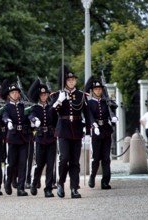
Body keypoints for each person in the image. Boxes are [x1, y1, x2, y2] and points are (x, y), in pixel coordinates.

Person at [52, 66, 90, 199]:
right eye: (69, 80)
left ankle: (74, 188)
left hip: (77, 129)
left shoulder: (81, 95)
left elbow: (87, 113)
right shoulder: (57, 95)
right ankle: (60, 183)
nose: (71, 82)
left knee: (75, 161)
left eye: (73, 80)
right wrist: (59, 100)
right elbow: (52, 112)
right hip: (63, 129)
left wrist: (89, 129)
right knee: (64, 158)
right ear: (65, 82)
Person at [1, 80, 33, 196]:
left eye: (16, 92)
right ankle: (8, 183)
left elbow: (29, 114)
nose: (15, 94)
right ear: (9, 95)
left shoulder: (23, 105)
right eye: (12, 92)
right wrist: (8, 121)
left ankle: (20, 187)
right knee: (11, 163)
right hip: (12, 137)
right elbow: (4, 115)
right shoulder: (7, 107)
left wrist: (33, 120)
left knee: (23, 163)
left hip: (23, 137)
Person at [27, 79, 58, 197]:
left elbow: (56, 121)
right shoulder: (35, 108)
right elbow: (31, 115)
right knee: (39, 165)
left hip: (51, 138)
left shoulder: (51, 107)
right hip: (40, 139)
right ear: (39, 96)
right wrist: (34, 120)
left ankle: (48, 188)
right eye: (42, 95)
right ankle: (34, 183)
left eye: (45, 94)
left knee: (51, 165)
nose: (44, 96)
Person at [86, 78, 118, 190]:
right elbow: (89, 116)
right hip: (96, 131)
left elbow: (112, 112)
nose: (98, 91)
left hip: (106, 130)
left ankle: (105, 181)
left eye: (100, 89)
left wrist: (114, 117)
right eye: (96, 89)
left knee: (106, 158)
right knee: (95, 157)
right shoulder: (89, 103)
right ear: (92, 90)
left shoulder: (106, 102)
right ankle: (92, 177)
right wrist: (94, 125)